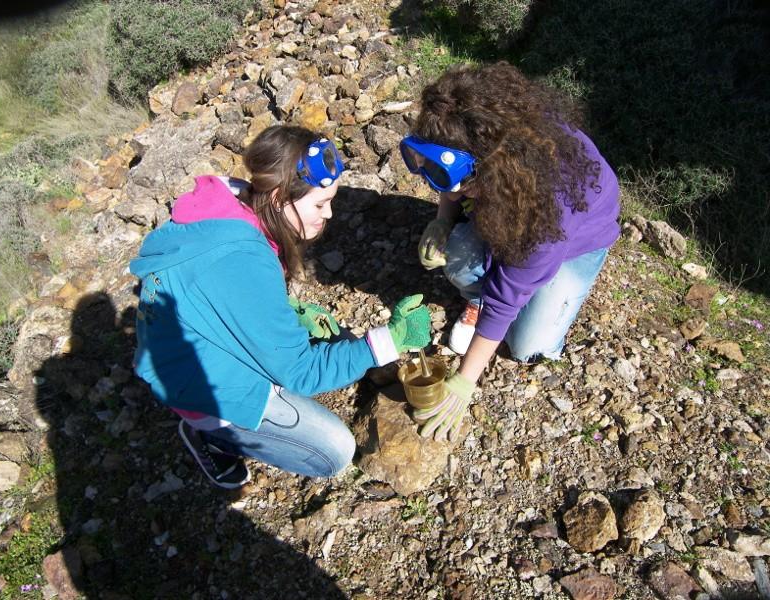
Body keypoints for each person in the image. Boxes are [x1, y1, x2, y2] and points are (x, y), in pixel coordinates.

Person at [130, 125, 431, 488]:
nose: (330, 214)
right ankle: (209, 433)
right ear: (277, 197)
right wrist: (392, 339)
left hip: (187, 349)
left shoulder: (233, 207)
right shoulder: (242, 260)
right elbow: (301, 375)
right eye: (320, 204)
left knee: (334, 344)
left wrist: (287, 308)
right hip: (201, 389)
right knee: (334, 451)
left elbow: (216, 294)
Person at [399, 61, 620, 441]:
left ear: (494, 168)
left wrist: (465, 381)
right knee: (458, 256)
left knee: (527, 346)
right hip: (504, 204)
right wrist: (444, 220)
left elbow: (505, 299)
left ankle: (548, 296)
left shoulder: (550, 201)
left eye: (455, 180)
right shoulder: (480, 141)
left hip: (576, 240)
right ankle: (479, 299)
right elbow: (450, 176)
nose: (443, 185)